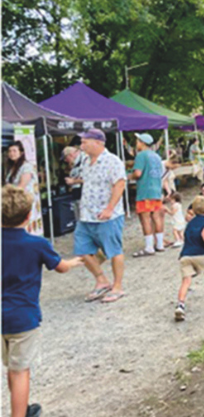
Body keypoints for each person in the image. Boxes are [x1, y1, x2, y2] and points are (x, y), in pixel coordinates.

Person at [2, 186, 83, 417]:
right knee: (20, 371)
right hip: (24, 317)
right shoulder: (37, 244)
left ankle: (21, 408)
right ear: (29, 216)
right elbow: (60, 268)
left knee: (12, 367)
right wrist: (74, 262)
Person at [73, 129, 127, 303]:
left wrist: (110, 208)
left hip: (107, 216)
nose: (81, 145)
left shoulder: (113, 161)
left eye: (84, 142)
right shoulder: (85, 161)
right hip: (86, 214)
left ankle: (118, 287)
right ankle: (102, 280)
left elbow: (120, 184)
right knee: (82, 250)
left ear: (97, 142)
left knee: (113, 251)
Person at [129, 133, 166, 257]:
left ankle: (149, 247)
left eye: (137, 141)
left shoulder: (141, 155)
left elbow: (138, 173)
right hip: (156, 190)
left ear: (142, 143)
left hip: (145, 191)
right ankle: (160, 244)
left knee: (145, 219)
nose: (136, 143)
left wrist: (129, 176)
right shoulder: (156, 156)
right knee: (157, 217)